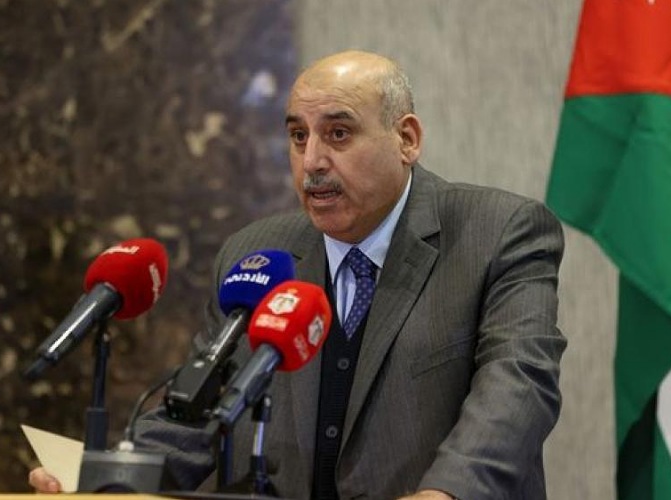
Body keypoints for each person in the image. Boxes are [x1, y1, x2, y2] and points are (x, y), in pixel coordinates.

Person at [29, 50, 566, 499]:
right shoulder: (257, 255)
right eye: (298, 136)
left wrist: (446, 493)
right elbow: (199, 411)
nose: (311, 161)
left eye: (338, 133)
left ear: (406, 139)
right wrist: (106, 483)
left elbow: (519, 383)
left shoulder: (497, 232)